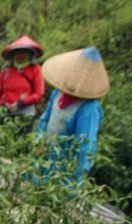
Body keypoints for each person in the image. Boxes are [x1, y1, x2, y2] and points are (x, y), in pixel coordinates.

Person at [35, 47, 109, 186]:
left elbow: (85, 144)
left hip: (65, 169)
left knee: (54, 200)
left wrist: (78, 175)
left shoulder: (89, 108)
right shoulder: (58, 93)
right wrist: (39, 141)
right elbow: (45, 119)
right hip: (44, 158)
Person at [0, 35, 45, 134]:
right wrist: (3, 104)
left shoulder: (35, 70)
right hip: (6, 114)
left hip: (25, 114)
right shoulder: (6, 71)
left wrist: (21, 103)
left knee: (23, 146)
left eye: (23, 52)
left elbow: (38, 93)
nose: (20, 55)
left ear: (29, 54)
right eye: (17, 52)